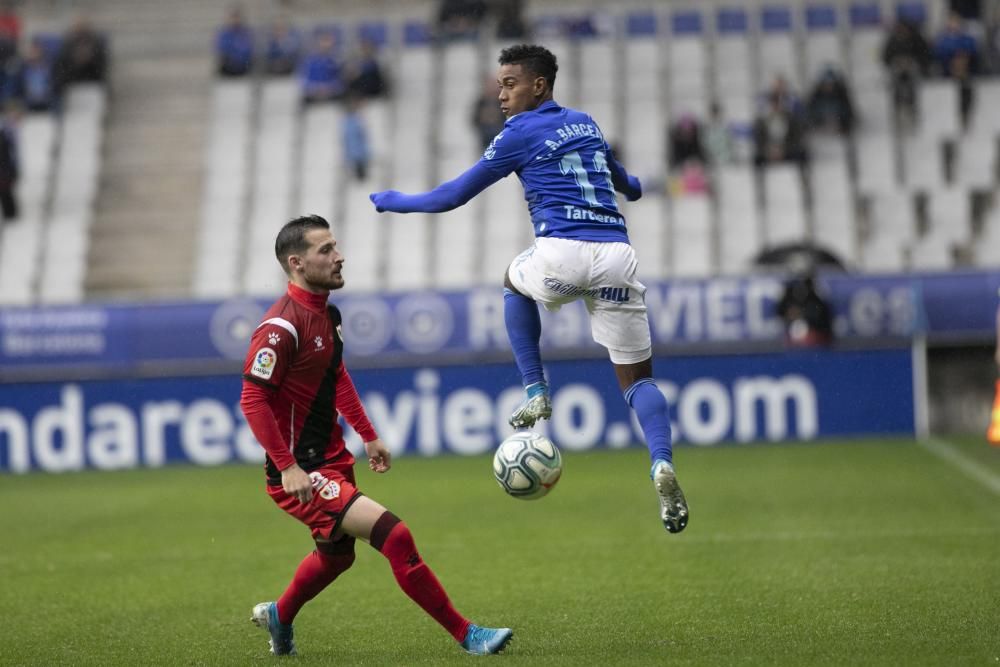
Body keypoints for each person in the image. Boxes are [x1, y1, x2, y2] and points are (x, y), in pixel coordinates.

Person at [369, 44, 689, 534]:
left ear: (538, 85)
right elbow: (622, 179)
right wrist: (636, 188)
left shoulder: (517, 133)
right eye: (499, 84)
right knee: (639, 380)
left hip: (563, 250)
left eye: (509, 83)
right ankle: (661, 463)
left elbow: (452, 195)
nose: (500, 93)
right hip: (617, 255)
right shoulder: (586, 122)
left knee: (512, 282)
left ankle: (536, 390)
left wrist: (394, 200)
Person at [240, 215, 513, 657]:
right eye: (324, 250)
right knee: (396, 536)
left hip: (330, 459)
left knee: (336, 557)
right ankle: (468, 635)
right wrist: (288, 466)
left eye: (336, 246)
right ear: (296, 263)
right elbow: (252, 400)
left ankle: (280, 615)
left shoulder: (327, 313)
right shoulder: (280, 328)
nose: (338, 255)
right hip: (302, 470)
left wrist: (367, 434)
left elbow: (336, 374)